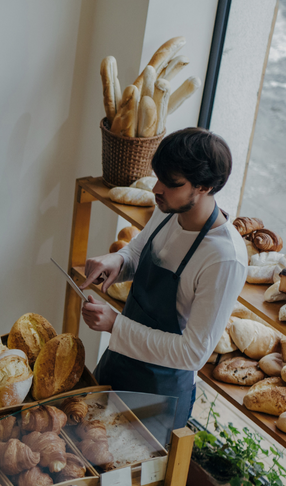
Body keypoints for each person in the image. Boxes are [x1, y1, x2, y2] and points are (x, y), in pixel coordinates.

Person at [80, 127, 248, 428]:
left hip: (158, 398)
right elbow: (138, 251)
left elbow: (192, 353)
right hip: (117, 364)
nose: (157, 189)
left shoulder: (225, 259)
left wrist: (115, 324)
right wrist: (117, 260)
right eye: (158, 177)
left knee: (125, 475)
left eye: (170, 183)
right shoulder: (168, 207)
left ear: (204, 187)